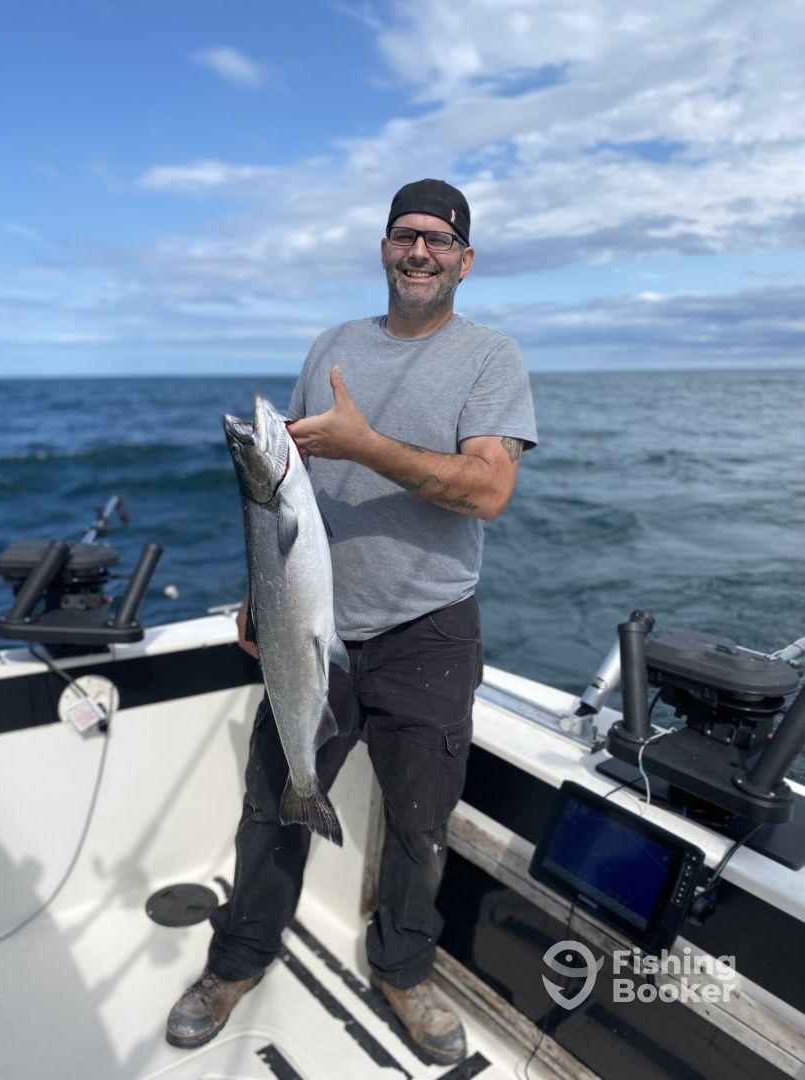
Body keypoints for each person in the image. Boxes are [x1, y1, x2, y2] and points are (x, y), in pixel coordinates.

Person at [166, 179, 538, 1064]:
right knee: (272, 801)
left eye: (438, 241)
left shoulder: (491, 359)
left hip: (429, 631)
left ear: (465, 259)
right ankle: (237, 959)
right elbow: (281, 497)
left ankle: (405, 972)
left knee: (419, 823)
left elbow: (488, 491)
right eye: (405, 235)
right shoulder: (331, 346)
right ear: (382, 247)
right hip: (311, 628)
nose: (419, 252)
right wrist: (262, 586)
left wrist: (368, 443)